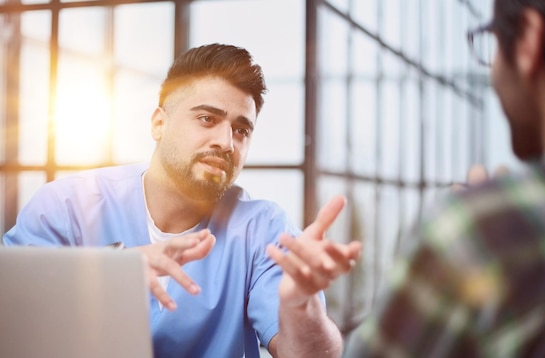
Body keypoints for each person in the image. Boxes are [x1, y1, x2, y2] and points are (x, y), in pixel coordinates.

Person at [2, 43, 362, 358]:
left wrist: (303, 305)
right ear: (159, 124)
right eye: (207, 118)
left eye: (241, 129)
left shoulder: (264, 231)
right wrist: (106, 276)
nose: (226, 141)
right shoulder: (67, 205)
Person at [344, 0, 545, 356]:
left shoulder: (477, 232)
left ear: (528, 42)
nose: (492, 73)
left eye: (490, 43)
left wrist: (485, 220)